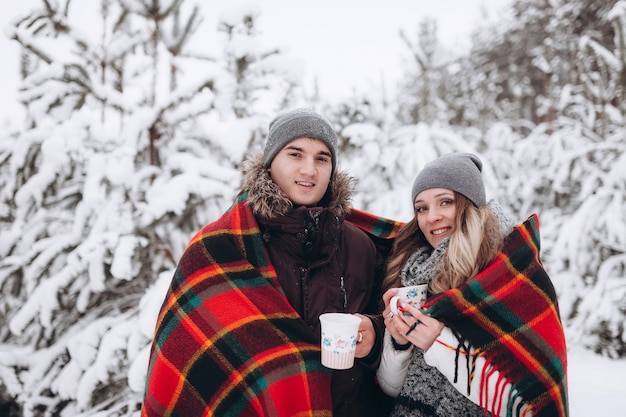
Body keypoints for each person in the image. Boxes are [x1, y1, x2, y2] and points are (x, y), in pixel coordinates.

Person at [140, 107, 396, 417]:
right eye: (295, 154)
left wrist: (375, 333)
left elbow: (389, 321)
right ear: (271, 163)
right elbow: (187, 355)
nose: (309, 170)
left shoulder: (359, 245)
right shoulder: (222, 246)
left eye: (321, 158)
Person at [376, 153, 569, 417]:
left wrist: (439, 343)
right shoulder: (417, 275)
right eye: (422, 208)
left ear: (471, 206)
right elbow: (392, 390)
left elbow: (526, 403)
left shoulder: (512, 277)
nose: (431, 217)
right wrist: (399, 342)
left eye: (445, 202)